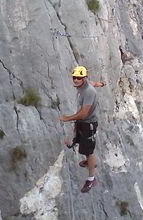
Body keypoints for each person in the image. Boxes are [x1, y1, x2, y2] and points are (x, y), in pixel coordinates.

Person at [58, 65, 104, 193]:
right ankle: (88, 160)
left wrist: (67, 118)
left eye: (78, 78)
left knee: (89, 152)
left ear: (84, 78)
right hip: (83, 123)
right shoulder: (85, 84)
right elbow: (93, 83)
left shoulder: (89, 92)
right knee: (82, 144)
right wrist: (101, 83)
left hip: (88, 124)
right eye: (74, 77)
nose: (76, 80)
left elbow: (84, 113)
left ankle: (91, 179)